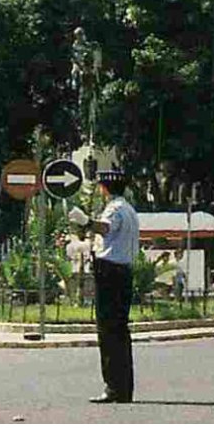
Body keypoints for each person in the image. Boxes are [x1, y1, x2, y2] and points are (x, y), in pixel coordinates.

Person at [69, 169, 139, 405]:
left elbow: (106, 228)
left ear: (106, 188)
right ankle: (123, 388)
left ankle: (113, 387)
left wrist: (86, 221)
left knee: (108, 330)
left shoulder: (115, 209)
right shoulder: (129, 209)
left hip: (110, 272)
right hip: (123, 271)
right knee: (120, 331)